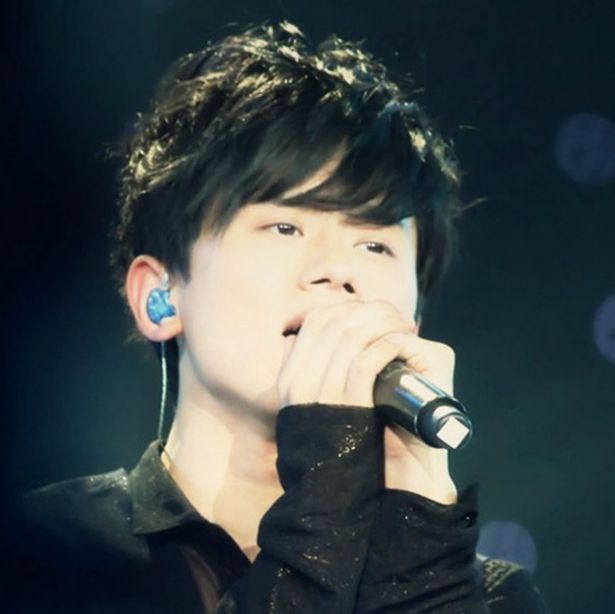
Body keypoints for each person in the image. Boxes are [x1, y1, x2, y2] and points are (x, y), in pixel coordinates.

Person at [7, 21, 549, 613]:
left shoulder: (488, 598)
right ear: (159, 297)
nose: (337, 271)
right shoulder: (48, 555)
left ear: (412, 321)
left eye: (375, 245)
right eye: (285, 227)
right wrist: (325, 500)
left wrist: (421, 549)